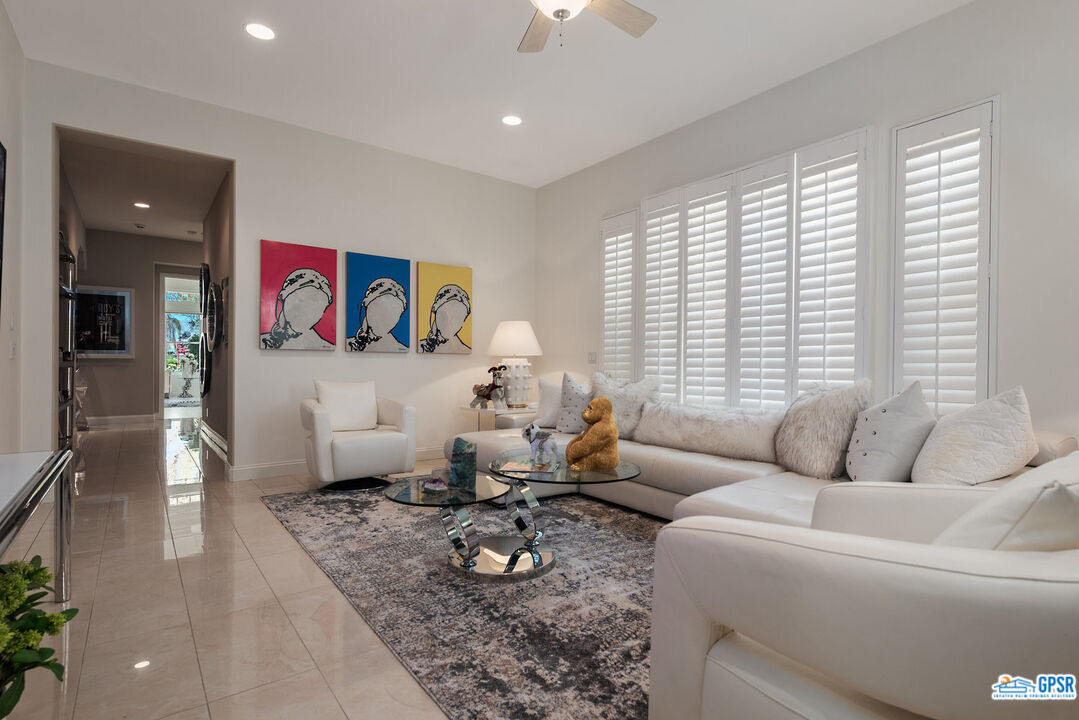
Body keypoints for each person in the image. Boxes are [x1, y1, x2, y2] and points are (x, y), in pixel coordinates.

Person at [260, 268, 334, 350]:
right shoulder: (261, 341)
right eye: (303, 301)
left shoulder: (323, 347)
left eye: (318, 308)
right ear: (282, 296)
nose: (309, 312)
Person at [348, 277, 407, 352]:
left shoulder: (400, 349)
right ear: (366, 305)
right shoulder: (347, 344)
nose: (386, 318)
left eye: (395, 314)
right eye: (381, 309)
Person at [419, 283, 471, 353]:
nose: (451, 322)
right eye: (445, 315)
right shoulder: (420, 347)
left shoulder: (464, 351)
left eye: (458, 318)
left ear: (463, 322)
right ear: (435, 312)